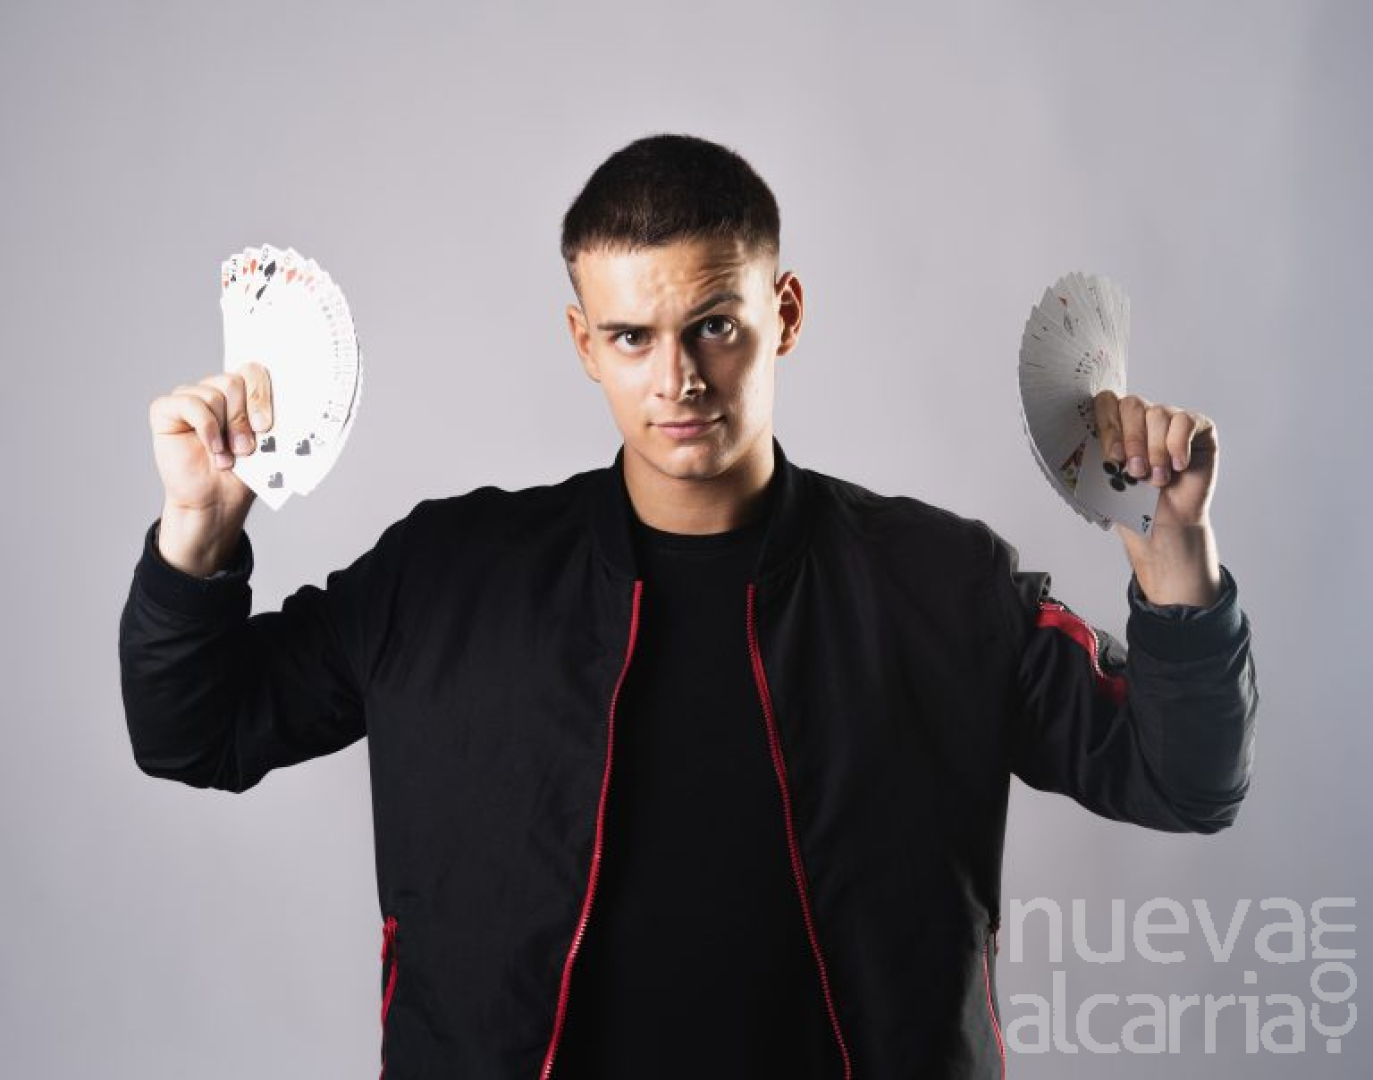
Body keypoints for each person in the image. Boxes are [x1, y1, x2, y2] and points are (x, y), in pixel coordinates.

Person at [119, 133, 1257, 1079]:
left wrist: (1175, 554)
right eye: (631, 337)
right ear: (584, 343)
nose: (678, 379)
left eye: (714, 324)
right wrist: (197, 530)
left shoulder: (941, 582)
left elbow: (1184, 777)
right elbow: (196, 731)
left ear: (785, 313)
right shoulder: (443, 576)